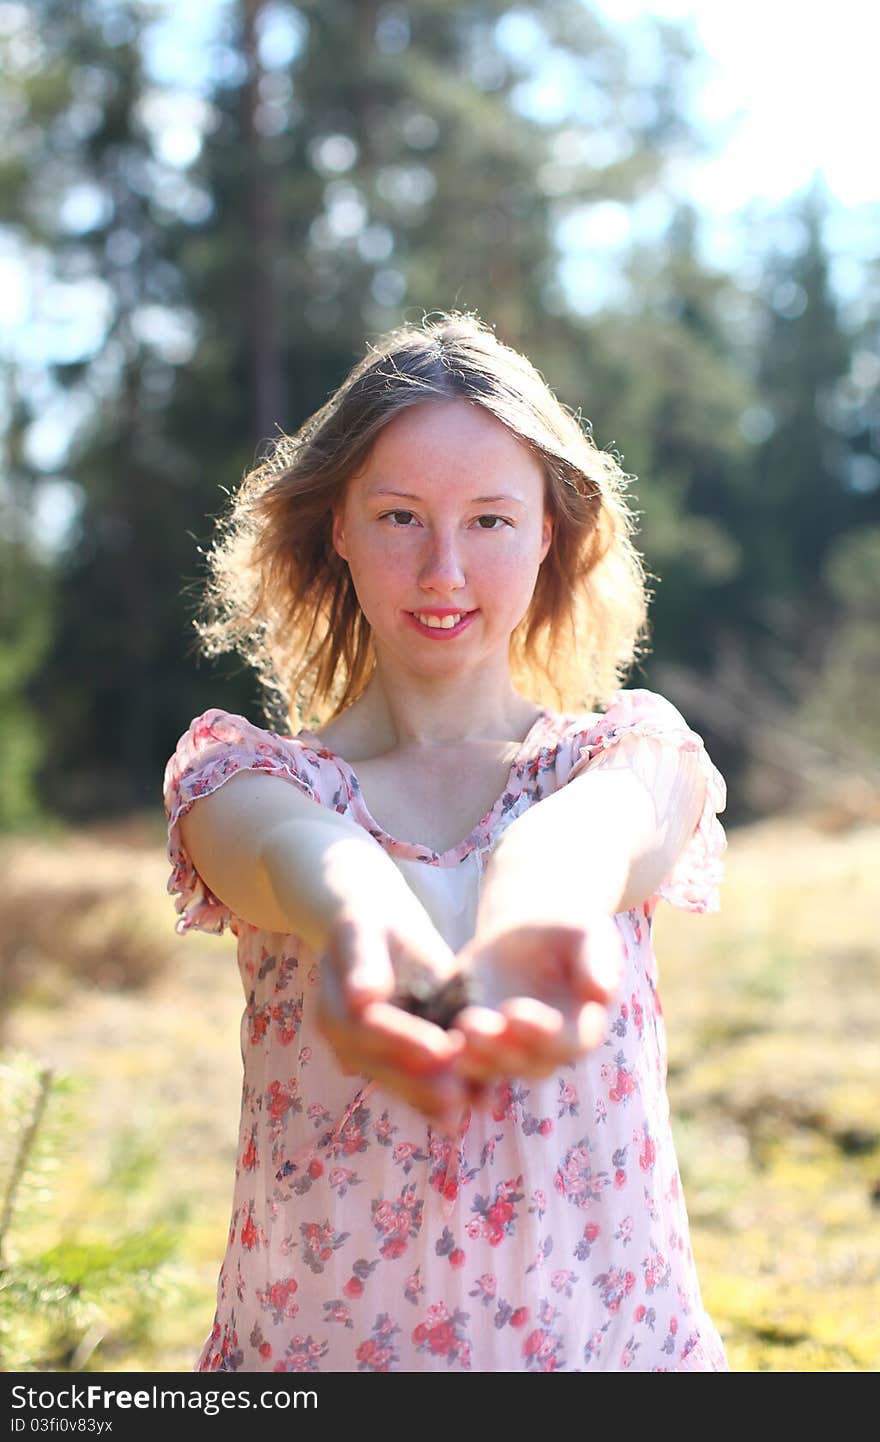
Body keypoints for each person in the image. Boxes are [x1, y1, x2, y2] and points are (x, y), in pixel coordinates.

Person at [163, 311, 729, 1372]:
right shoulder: (242, 777)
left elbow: (579, 838)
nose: (443, 569)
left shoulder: (628, 756)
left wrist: (534, 913)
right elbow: (308, 853)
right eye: (399, 516)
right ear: (336, 525)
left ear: (549, 532)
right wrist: (367, 929)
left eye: (489, 520)